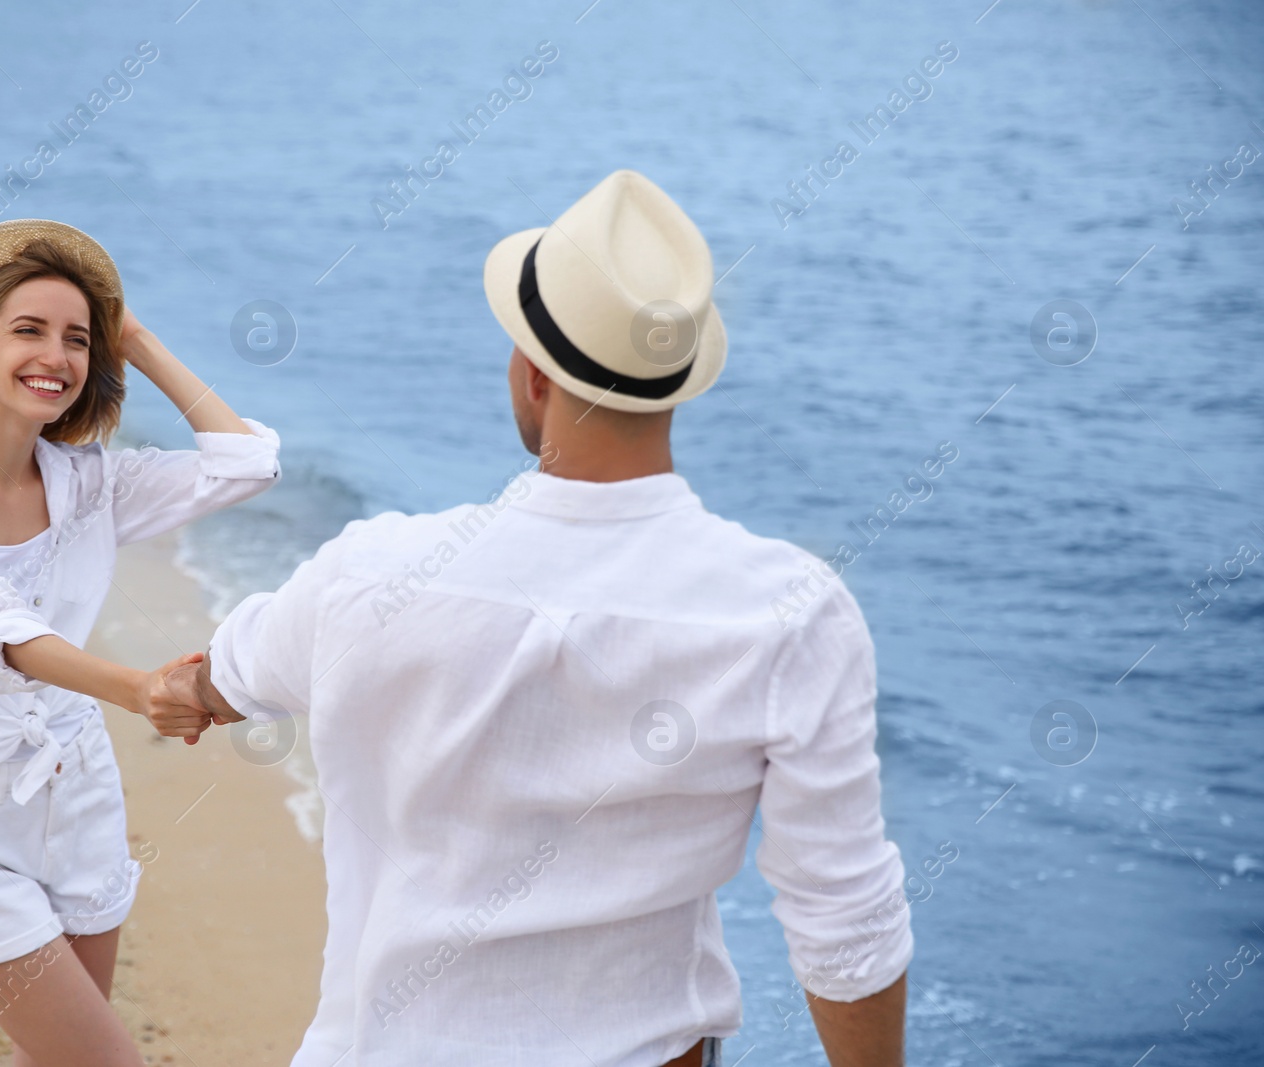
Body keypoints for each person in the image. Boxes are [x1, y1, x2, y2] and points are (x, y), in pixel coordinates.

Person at [156, 171, 912, 1066]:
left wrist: (183, 691)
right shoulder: (787, 612)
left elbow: (220, 681)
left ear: (530, 374)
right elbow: (844, 921)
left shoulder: (369, 574)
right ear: (680, 379)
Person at [0, 219, 269, 1066]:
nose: (58, 355)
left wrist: (137, 339)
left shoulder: (91, 481)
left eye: (78, 339)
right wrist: (137, 687)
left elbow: (247, 462)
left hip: (78, 794)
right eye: (28, 331)